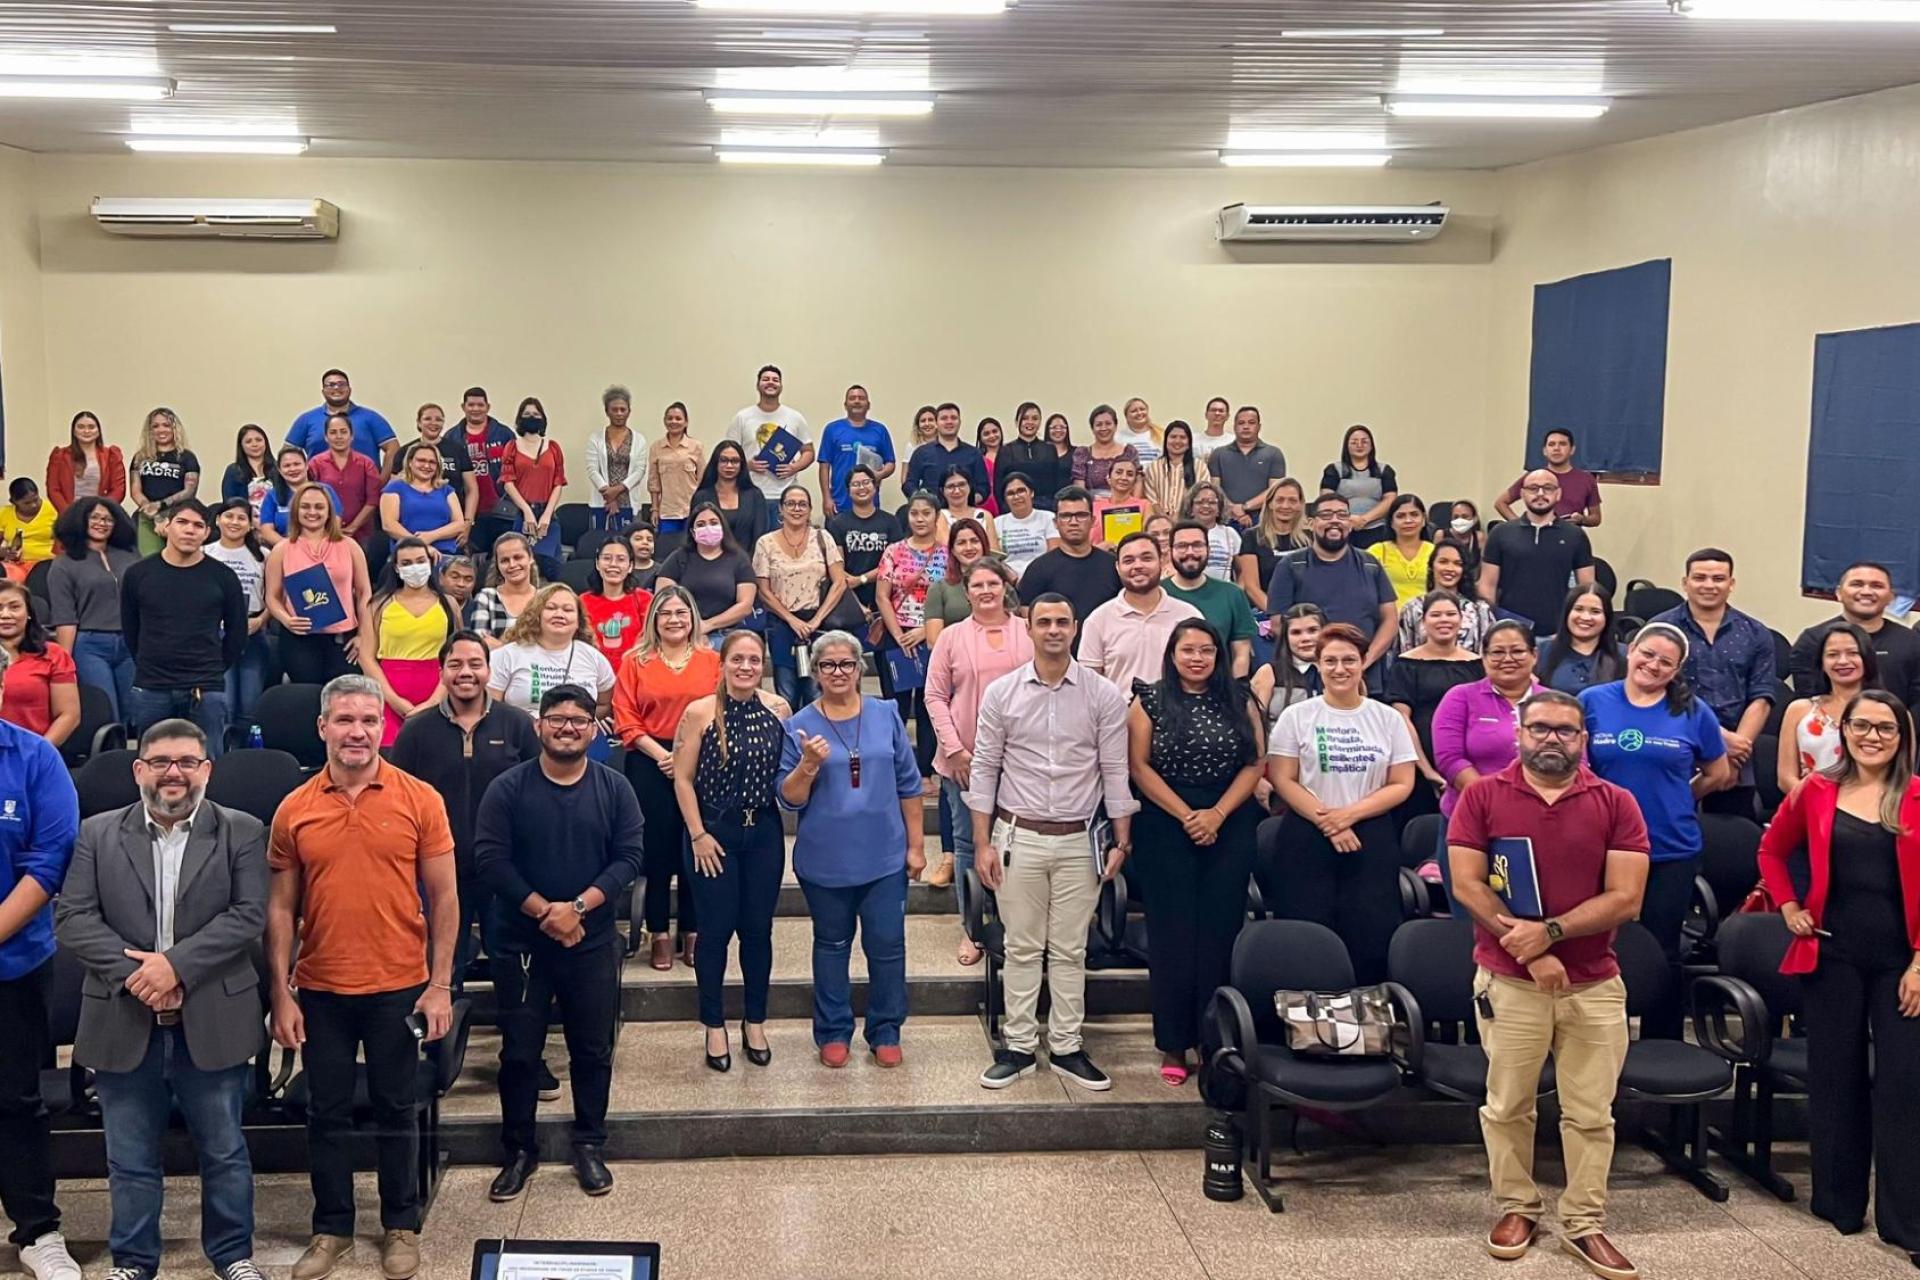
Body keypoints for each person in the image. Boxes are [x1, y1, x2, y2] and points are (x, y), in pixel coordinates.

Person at [1447, 689, 1650, 1280]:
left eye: (1565, 731)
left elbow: (1627, 897)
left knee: (1591, 1113)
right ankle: (1518, 1207)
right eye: (1540, 729)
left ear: (1583, 739)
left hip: (1594, 983)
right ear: (1519, 733)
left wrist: (1551, 932)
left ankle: (1585, 1223)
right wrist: (1532, 954)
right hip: (1510, 983)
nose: (1551, 739)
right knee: (1508, 1106)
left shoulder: (1616, 802)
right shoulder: (1483, 795)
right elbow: (1467, 884)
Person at [54, 720, 267, 1280]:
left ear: (207, 770)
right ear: (139, 769)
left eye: (188, 762)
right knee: (128, 1157)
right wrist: (142, 976)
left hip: (213, 1012)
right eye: (162, 761)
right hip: (122, 1013)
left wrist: (176, 966)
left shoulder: (242, 831)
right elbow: (73, 918)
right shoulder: (96, 833)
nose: (175, 773)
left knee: (223, 1150)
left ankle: (232, 1256)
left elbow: (248, 916)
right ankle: (134, 1260)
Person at [266, 675, 457, 1280]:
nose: (358, 732)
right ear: (323, 727)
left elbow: (446, 898)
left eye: (369, 721)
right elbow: (279, 910)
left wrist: (440, 983)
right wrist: (280, 992)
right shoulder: (294, 808)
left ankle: (400, 1223)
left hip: (399, 982)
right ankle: (332, 1228)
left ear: (383, 727)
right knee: (326, 1112)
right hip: (321, 987)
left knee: (397, 1108)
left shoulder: (419, 798)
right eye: (345, 720)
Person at [1758, 689, 1920, 1260]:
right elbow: (1772, 852)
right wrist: (1787, 907)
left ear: (1902, 738)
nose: (1872, 736)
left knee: (1905, 1086)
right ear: (1843, 731)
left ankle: (1907, 1222)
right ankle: (1839, 1202)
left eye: (1885, 728)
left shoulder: (1919, 796)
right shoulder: (1817, 790)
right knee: (1835, 1079)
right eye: (1861, 726)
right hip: (1832, 957)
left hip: (1905, 964)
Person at [475, 684, 641, 1202]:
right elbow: (490, 859)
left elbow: (629, 858)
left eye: (579, 721)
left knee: (592, 1049)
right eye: (557, 719)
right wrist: (545, 911)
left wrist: (577, 909)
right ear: (539, 725)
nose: (568, 728)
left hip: (589, 941)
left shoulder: (615, 788)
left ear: (594, 731)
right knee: (521, 1054)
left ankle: (589, 1143)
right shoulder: (507, 787)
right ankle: (519, 1150)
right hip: (520, 942)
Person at [969, 596, 1135, 1089]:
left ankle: (1066, 1046)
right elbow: (984, 769)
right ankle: (1019, 1046)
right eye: (1044, 622)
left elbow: (1114, 770)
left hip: (1079, 840)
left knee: (1069, 950)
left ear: (1076, 627)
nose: (1054, 630)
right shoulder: (1002, 693)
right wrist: (982, 843)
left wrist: (1121, 839)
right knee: (1020, 949)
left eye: (1063, 621)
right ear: (1029, 627)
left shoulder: (1102, 694)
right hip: (1018, 836)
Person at [1127, 619, 1264, 1086]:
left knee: (1219, 935)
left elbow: (1255, 763)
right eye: (1188, 650)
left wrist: (1217, 815)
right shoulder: (1150, 698)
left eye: (1206, 650)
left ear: (1219, 655)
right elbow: (1138, 767)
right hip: (1167, 823)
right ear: (1172, 654)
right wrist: (1188, 814)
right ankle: (1173, 1042)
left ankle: (1215, 1039)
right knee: (1172, 936)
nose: (1197, 659)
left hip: (1229, 820)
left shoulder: (1240, 698)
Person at [779, 631, 924, 1067]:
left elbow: (909, 783)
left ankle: (885, 1029)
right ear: (816, 672)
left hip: (883, 856)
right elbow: (789, 798)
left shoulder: (885, 713)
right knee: (831, 945)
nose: (838, 672)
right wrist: (808, 765)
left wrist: (916, 846)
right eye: (828, 666)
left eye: (846, 664)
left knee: (887, 945)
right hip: (826, 859)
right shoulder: (799, 724)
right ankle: (833, 1031)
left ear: (860, 668)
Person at [1580, 622, 1733, 1037]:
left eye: (1666, 661)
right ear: (1631, 652)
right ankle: (1595, 1037)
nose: (1653, 664)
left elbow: (1718, 773)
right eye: (1647, 654)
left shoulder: (1692, 711)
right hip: (1600, 845)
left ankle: (1659, 1041)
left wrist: (1681, 795)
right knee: (1596, 944)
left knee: (1661, 948)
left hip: (1669, 847)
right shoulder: (1592, 701)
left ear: (1677, 669)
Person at [389, 632, 541, 998]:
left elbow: (537, 792)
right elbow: (400, 800)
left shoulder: (516, 724)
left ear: (489, 670)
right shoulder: (416, 730)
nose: (465, 672)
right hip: (437, 871)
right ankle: (440, 1050)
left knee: (512, 968)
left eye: (475, 664)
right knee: (442, 968)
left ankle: (519, 1052)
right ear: (441, 673)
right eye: (455, 664)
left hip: (505, 870)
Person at [1264, 622, 1416, 982]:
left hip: (1371, 834)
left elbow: (1402, 783)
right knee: (1306, 934)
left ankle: (1365, 1024)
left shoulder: (1387, 718)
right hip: (1306, 833)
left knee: (1370, 932)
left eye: (1349, 659)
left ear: (1364, 661)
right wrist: (1327, 822)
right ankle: (1305, 1023)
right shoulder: (1296, 716)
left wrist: (1347, 815)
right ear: (1317, 664)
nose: (1340, 668)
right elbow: (1283, 778)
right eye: (1330, 660)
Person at [671, 631, 792, 1071]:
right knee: (716, 931)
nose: (745, 667)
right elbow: (682, 779)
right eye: (737, 659)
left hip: (762, 831)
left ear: (763, 665)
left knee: (758, 931)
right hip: (713, 833)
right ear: (722, 663)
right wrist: (698, 834)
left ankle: (755, 1020)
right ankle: (714, 1023)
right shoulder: (700, 712)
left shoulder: (779, 710)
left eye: (754, 660)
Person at [0, 643, 80, 1280]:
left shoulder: (35, 758)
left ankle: (37, 1230)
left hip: (15, 963)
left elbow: (48, 863)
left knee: (17, 1099)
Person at [925, 558, 1033, 947]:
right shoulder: (952, 637)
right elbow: (934, 696)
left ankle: (1014, 924)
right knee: (969, 842)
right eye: (977, 585)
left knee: (1020, 843)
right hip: (965, 760)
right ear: (966, 592)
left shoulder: (1029, 630)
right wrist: (954, 750)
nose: (986, 591)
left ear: (1005, 587)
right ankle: (972, 929)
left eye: (993, 583)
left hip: (1024, 760)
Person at [612, 588, 716, 970]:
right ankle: (657, 932)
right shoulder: (635, 661)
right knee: (657, 849)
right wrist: (664, 757)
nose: (674, 619)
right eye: (666, 613)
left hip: (702, 758)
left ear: (692, 618)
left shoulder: (712, 661)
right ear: (654, 620)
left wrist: (688, 756)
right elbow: (625, 716)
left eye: (681, 612)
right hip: (648, 760)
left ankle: (692, 930)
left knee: (694, 843)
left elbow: (719, 710)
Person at [1650, 548, 1777, 818]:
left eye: (1718, 579)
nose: (1709, 585)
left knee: (1732, 842)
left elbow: (1762, 697)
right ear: (1685, 583)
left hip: (1737, 756)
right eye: (1700, 578)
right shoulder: (1661, 629)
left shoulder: (1755, 633)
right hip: (1675, 745)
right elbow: (1653, 691)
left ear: (1731, 584)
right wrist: (1719, 740)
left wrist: (1736, 750)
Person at [1429, 619, 1546, 891]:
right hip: (1470, 822)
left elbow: (1576, 762)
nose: (1508, 659)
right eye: (1497, 652)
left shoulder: (1554, 702)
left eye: (1517, 651)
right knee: (1472, 916)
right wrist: (1496, 804)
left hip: (1540, 823)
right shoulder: (1460, 697)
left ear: (1534, 656)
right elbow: (1450, 759)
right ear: (1483, 657)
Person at [120, 501, 247, 750]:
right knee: (152, 764)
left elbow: (237, 634)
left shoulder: (224, 577)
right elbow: (130, 630)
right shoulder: (138, 574)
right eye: (182, 522)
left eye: (198, 525)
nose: (190, 530)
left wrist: (214, 669)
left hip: (206, 688)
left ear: (207, 533)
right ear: (166, 527)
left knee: (206, 765)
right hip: (152, 686)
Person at [1264, 494, 1399, 677]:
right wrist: (1321, 663)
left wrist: (1365, 660)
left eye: (1342, 515)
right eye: (1326, 515)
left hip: (1367, 673)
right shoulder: (1291, 566)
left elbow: (1390, 620)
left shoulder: (1370, 564)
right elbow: (1278, 623)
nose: (1335, 521)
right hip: (1310, 676)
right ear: (1311, 523)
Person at [1388, 591, 1488, 826]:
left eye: (1451, 614)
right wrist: (1427, 771)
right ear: (1423, 622)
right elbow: (1401, 720)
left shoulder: (1477, 665)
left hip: (1470, 769)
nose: (1444, 620)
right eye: (1436, 615)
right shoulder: (1405, 664)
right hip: (1418, 767)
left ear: (1462, 620)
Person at [263, 483, 373, 688]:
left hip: (343, 639)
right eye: (305, 506)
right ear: (296, 511)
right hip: (300, 638)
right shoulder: (281, 550)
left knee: (342, 698)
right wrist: (286, 620)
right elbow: (272, 597)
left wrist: (363, 636)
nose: (312, 512)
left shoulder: (350, 546)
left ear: (329, 511)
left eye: (319, 507)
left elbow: (365, 592)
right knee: (308, 697)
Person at [753, 485, 851, 707]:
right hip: (782, 625)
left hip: (819, 623)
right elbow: (764, 591)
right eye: (790, 504)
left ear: (810, 509)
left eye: (802, 504)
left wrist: (815, 621)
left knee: (817, 694)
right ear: (781, 509)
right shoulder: (765, 543)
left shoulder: (822, 537)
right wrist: (792, 620)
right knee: (786, 695)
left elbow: (839, 582)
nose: (796, 509)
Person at [876, 493, 949, 785]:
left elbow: (950, 597)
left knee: (929, 707)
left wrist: (925, 631)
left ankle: (927, 772)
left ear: (936, 516)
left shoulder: (946, 553)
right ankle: (895, 769)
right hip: (897, 637)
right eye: (914, 513)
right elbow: (882, 596)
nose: (920, 519)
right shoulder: (894, 550)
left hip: (933, 636)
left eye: (926, 513)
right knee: (896, 707)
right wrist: (899, 635)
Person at [359, 538, 461, 745]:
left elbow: (458, 655)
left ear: (430, 563)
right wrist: (393, 700)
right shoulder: (378, 605)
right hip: (388, 691)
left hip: (438, 691)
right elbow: (366, 656)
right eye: (406, 563)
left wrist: (435, 701)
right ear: (396, 568)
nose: (414, 567)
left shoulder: (448, 604)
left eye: (420, 561)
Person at [49, 498, 141, 719]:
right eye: (96, 517)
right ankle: (110, 754)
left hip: (132, 643)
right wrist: (65, 664)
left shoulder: (131, 557)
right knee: (107, 712)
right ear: (81, 521)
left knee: (137, 712)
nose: (102, 523)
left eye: (109, 519)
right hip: (90, 646)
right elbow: (65, 618)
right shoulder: (64, 564)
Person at [1081, 533, 1202, 694]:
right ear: (1117, 568)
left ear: (1161, 561)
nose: (1137, 566)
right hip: (1120, 716)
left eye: (1146, 558)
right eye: (1128, 561)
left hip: (1178, 715)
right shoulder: (1098, 620)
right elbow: (1089, 685)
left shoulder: (1188, 615)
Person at [1478, 470, 1596, 635]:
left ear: (1558, 493)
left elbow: (1587, 588)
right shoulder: (1501, 533)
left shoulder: (1575, 535)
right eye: (1533, 488)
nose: (1540, 493)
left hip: (1557, 632)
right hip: (1510, 630)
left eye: (1548, 488)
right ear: (1522, 493)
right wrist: (1489, 625)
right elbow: (1487, 585)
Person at [487, 585, 617, 733]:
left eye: (567, 610)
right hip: (521, 741)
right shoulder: (507, 655)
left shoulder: (594, 658)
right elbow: (490, 709)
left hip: (574, 742)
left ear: (578, 621)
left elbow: (604, 704)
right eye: (551, 608)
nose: (559, 614)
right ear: (537, 615)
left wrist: (580, 723)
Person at [1791, 561, 1920, 708]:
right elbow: (1809, 699)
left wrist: (1901, 727)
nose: (1866, 592)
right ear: (1839, 593)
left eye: (1877, 586)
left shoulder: (1912, 641)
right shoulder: (1813, 640)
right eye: (1857, 584)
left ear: (1891, 597)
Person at [1778, 621, 1877, 788]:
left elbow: (1899, 780)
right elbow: (1785, 778)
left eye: (1853, 653)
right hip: (1809, 805)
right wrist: (1823, 806)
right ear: (1821, 663)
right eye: (1832, 655)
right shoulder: (1799, 710)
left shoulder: (1890, 712)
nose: (1843, 661)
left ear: (1866, 659)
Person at [202, 502, 272, 728]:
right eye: (228, 516)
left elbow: (275, 595)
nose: (234, 522)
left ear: (251, 524)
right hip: (216, 635)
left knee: (250, 706)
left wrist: (261, 620)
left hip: (253, 632)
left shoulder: (264, 555)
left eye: (241, 518)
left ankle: (245, 756)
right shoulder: (204, 552)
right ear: (217, 520)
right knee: (225, 704)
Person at [1017, 487, 1122, 635]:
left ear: (1093, 520)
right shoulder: (1038, 569)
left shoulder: (1113, 565)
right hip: (1058, 653)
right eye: (1066, 516)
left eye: (1081, 515)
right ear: (1055, 522)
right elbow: (1029, 619)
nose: (1074, 522)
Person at [1163, 521, 1254, 678]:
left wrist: (1237, 692)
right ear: (1170, 551)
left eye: (1197, 545)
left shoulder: (1232, 594)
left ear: (1208, 550)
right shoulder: (1157, 594)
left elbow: (1241, 653)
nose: (1190, 552)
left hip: (1219, 691)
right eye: (1182, 546)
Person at [726, 365, 814, 525]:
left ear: (781, 386)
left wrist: (795, 467)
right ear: (758, 385)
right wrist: (747, 465)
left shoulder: (795, 417)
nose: (770, 383)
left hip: (786, 495)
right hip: (750, 493)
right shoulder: (742, 417)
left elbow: (808, 451)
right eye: (765, 379)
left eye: (775, 380)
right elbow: (727, 455)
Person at [656, 503, 757, 639]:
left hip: (725, 633)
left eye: (713, 523)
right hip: (684, 632)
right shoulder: (679, 557)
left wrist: (708, 625)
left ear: (722, 527)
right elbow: (663, 598)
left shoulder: (739, 559)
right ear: (693, 532)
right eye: (701, 524)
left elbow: (745, 605)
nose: (708, 528)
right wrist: (690, 626)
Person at [827, 467, 901, 637]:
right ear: (848, 491)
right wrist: (856, 603)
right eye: (856, 484)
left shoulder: (891, 522)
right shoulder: (838, 524)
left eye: (866, 482)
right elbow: (837, 567)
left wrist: (861, 579)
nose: (861, 488)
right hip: (848, 598)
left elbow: (894, 563)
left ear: (875, 487)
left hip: (886, 597)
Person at [385, 404, 478, 530]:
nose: (433, 423)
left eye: (438, 419)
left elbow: (471, 489)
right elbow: (394, 488)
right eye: (428, 419)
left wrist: (467, 522)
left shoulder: (458, 450)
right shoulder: (405, 452)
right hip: (412, 522)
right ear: (418, 422)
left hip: (452, 522)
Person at [1398, 541, 1498, 654]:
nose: (1450, 568)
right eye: (1443, 562)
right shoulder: (1412, 609)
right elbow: (1404, 653)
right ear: (1431, 566)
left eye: (1457, 563)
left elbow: (1489, 653)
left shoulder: (1480, 610)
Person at [287, 368, 397, 471]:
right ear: (323, 391)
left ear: (349, 389)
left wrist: (382, 481)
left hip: (365, 489)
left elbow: (393, 448)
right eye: (331, 385)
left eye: (341, 384)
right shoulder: (306, 419)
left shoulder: (371, 418)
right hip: (319, 489)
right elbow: (287, 453)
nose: (336, 388)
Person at [501, 398, 567, 564]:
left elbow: (558, 483)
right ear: (520, 418)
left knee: (549, 563)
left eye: (536, 414)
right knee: (522, 562)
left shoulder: (553, 447)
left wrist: (547, 514)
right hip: (522, 513)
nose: (531, 417)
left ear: (543, 418)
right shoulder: (512, 447)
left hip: (548, 513)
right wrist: (527, 512)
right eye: (527, 414)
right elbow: (508, 482)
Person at [1495, 427, 1602, 528]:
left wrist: (1582, 519)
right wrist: (1520, 526)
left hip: (1571, 538)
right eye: (1551, 444)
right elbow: (1500, 503)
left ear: (1572, 450)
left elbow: (1596, 518)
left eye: (1562, 444)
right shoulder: (1534, 477)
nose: (1556, 448)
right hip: (1537, 537)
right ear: (1545, 451)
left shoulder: (1586, 479)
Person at [128, 408, 201, 556]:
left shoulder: (187, 458)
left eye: (166, 425)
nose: (161, 430)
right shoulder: (140, 457)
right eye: (155, 426)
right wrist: (152, 512)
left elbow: (189, 491)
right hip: (147, 514)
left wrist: (161, 506)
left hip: (177, 514)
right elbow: (135, 490)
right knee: (150, 559)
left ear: (174, 428)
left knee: (179, 557)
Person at [817, 384, 896, 517]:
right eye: (852, 398)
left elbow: (891, 463)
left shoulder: (880, 430)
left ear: (868, 404)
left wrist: (879, 475)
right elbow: (824, 466)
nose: (857, 401)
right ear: (845, 404)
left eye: (861, 398)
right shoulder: (832, 429)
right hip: (839, 503)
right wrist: (826, 498)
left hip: (870, 503)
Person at [308, 412, 385, 546]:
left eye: (343, 432)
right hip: (324, 533)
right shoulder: (315, 463)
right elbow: (310, 497)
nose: (339, 437)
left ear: (351, 435)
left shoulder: (366, 464)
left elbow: (373, 500)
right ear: (326, 437)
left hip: (361, 534)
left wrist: (352, 528)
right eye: (333, 432)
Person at [380, 440, 467, 556]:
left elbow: (459, 524)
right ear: (410, 462)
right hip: (409, 555)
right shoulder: (394, 488)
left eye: (432, 462)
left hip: (446, 555)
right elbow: (389, 525)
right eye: (421, 460)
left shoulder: (446, 489)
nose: (427, 466)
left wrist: (431, 536)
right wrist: (420, 545)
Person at [921, 519, 998, 650]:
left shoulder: (1001, 582)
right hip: (957, 659)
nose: (969, 548)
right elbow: (934, 642)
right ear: (953, 550)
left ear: (984, 545)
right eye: (961, 543)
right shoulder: (939, 588)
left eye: (974, 541)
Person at [1319, 425, 1399, 549]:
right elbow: (1326, 498)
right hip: (1343, 527)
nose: (1359, 445)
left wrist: (1364, 519)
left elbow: (1390, 499)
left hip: (1377, 528)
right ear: (1347, 446)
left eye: (1364, 441)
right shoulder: (1334, 470)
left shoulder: (1384, 470)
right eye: (1354, 442)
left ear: (1371, 446)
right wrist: (1347, 518)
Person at [1206, 405, 1286, 528]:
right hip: (1226, 519)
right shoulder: (1219, 454)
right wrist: (1234, 510)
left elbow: (1274, 490)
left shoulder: (1273, 454)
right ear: (1234, 427)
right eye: (1241, 423)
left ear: (1259, 427)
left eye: (1251, 423)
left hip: (1262, 520)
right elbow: (1215, 488)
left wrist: (1245, 507)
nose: (1246, 426)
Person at [1250, 604, 1325, 736]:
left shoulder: (1342, 673)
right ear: (1286, 637)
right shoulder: (1269, 673)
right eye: (1296, 632)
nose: (1305, 639)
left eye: (1313, 630)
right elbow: (1254, 724)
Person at [457, 388, 517, 554]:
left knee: (503, 556)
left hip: (502, 510)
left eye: (480, 405)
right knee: (474, 560)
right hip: (469, 513)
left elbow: (515, 471)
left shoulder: (504, 434)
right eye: (471, 404)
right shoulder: (453, 437)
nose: (475, 409)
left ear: (488, 407)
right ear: (463, 407)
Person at [1236, 477, 1308, 612]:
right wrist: (1277, 615)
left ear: (1300, 505)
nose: (1285, 506)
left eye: (1292, 501)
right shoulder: (1251, 536)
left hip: (1303, 614)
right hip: (1265, 612)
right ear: (1270, 503)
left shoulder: (1309, 539)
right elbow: (1252, 587)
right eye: (1280, 500)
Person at [1539, 584, 1625, 696]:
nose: (1585, 617)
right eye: (1578, 609)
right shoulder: (1541, 652)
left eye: (1595, 611)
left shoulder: (1625, 655)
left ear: (1607, 617)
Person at [580, 538, 650, 669]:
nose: (613, 564)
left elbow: (648, 641)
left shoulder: (644, 599)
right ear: (597, 564)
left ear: (630, 566)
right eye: (607, 558)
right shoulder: (583, 601)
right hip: (593, 670)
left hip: (635, 671)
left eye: (621, 559)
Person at [584, 384, 645, 534]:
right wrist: (609, 496)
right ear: (607, 411)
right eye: (614, 409)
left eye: (622, 409)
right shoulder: (595, 438)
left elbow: (640, 470)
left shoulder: (639, 439)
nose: (619, 413)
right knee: (601, 545)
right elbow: (592, 469)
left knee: (629, 545)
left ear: (629, 411)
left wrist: (617, 490)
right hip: (602, 501)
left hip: (628, 502)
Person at [904, 402, 990, 508]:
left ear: (959, 422)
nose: (949, 421)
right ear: (936, 423)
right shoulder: (921, 453)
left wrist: (967, 502)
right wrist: (922, 502)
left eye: (953, 418)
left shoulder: (974, 453)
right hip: (932, 515)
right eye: (944, 418)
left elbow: (984, 487)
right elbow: (909, 484)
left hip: (965, 516)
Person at [256, 447, 340, 549]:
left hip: (323, 549)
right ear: (280, 470)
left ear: (306, 465)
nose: (292, 469)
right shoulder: (272, 496)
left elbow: (335, 522)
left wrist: (315, 547)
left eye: (297, 464)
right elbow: (266, 530)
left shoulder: (325, 491)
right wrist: (292, 548)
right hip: (285, 551)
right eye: (287, 466)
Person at [467, 531, 541, 646]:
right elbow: (480, 646)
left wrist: (500, 646)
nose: (512, 565)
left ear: (530, 558)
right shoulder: (486, 597)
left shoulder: (545, 598)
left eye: (518, 557)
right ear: (497, 565)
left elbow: (549, 647)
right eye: (505, 560)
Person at [692, 440, 767, 552]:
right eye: (724, 460)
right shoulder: (702, 497)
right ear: (715, 463)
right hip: (710, 562)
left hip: (747, 563)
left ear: (742, 465)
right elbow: (694, 537)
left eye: (735, 461)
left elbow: (760, 536)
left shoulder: (755, 496)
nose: (729, 465)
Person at [46, 410, 126, 514]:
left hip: (101, 515)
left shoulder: (111, 455)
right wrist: (69, 513)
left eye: (91, 427)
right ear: (74, 431)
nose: (86, 431)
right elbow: (53, 489)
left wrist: (101, 510)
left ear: (98, 431)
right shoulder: (59, 456)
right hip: (69, 515)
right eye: (81, 427)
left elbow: (118, 489)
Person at [647, 401, 703, 536]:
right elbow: (654, 483)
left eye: (678, 418)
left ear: (686, 422)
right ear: (664, 421)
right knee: (668, 549)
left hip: (692, 509)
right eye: (670, 418)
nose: (674, 421)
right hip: (667, 512)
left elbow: (702, 480)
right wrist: (654, 509)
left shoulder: (696, 446)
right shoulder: (656, 447)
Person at [1368, 494, 1433, 606]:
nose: (1408, 520)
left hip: (1429, 618)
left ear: (1423, 519)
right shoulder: (1378, 551)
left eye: (1414, 515)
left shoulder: (1435, 552)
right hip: (1389, 619)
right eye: (1400, 516)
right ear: (1391, 522)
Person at [999, 403, 1066, 512]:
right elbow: (999, 487)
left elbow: (1056, 483)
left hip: (1046, 510)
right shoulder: (1006, 450)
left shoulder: (1049, 449)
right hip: (1015, 511)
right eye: (1025, 418)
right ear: (1017, 422)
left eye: (1035, 419)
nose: (1030, 422)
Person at [993, 472, 1058, 579]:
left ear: (1031, 493)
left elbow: (1054, 554)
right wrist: (1013, 579)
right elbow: (995, 560)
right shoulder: (997, 523)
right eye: (1010, 493)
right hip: (1008, 580)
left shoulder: (1048, 517)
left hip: (1043, 577)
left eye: (1021, 491)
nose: (1016, 496)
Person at [1071, 404, 1137, 499]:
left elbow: (1137, 482)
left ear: (1115, 425)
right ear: (1092, 428)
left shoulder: (1129, 451)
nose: (1103, 428)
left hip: (1125, 507)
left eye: (1108, 423)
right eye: (1099, 424)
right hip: (1093, 505)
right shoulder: (1083, 453)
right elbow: (1079, 487)